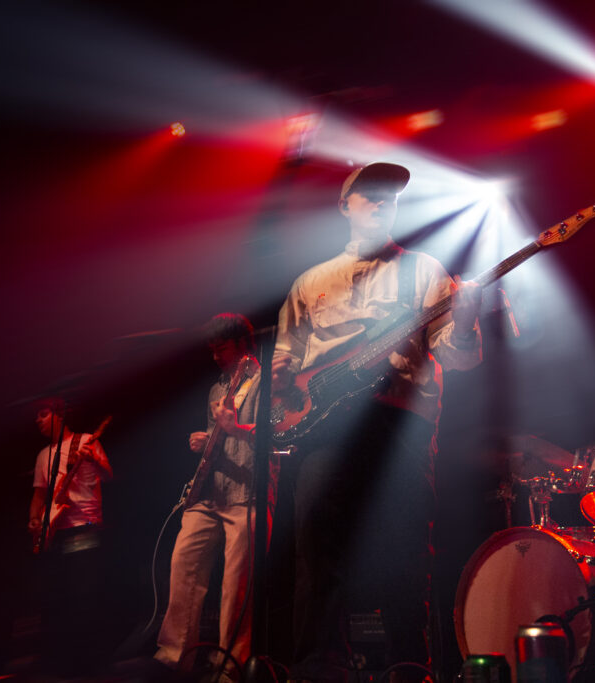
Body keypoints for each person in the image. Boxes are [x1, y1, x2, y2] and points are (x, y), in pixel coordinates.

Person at [272, 163, 483, 682]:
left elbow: (456, 356)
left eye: (389, 196)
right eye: (370, 195)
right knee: (317, 548)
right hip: (324, 427)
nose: (383, 202)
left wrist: (466, 318)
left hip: (399, 423)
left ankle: (409, 665)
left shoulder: (425, 270)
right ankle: (317, 668)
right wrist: (279, 379)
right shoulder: (311, 282)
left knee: (403, 547)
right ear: (345, 206)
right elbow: (286, 357)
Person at [154, 313, 265, 676]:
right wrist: (203, 442)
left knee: (236, 586)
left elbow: (278, 433)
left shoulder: (265, 381)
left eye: (222, 348)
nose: (216, 357)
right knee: (183, 567)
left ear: (243, 344)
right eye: (212, 350)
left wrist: (236, 428)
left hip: (247, 491)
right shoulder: (216, 389)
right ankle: (175, 658)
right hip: (209, 493)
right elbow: (217, 438)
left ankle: (230, 665)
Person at [28, 398, 113, 674]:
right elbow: (39, 494)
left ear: (59, 415)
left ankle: (90, 664)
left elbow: (108, 475)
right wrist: (34, 519)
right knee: (58, 596)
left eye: (43, 414)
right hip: (56, 530)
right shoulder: (43, 455)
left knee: (85, 594)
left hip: (84, 526)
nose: (38, 420)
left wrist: (93, 458)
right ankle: (60, 662)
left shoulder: (86, 440)